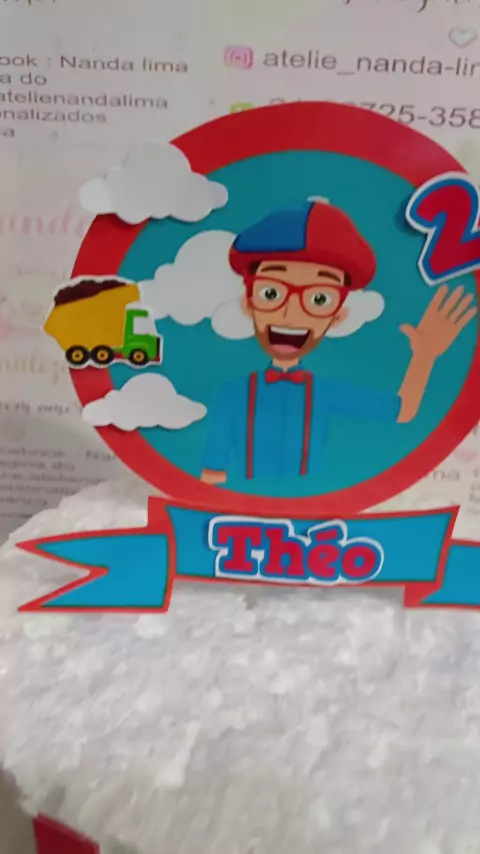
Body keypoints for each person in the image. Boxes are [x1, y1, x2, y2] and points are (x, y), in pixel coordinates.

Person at [201, 199, 476, 483]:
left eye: (319, 298)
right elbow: (212, 472)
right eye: (271, 293)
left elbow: (401, 411)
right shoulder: (230, 393)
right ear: (248, 303)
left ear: (337, 316)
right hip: (247, 504)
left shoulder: (325, 391)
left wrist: (424, 355)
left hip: (316, 504)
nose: (290, 314)